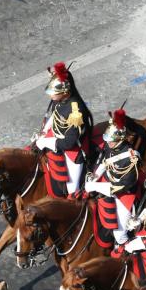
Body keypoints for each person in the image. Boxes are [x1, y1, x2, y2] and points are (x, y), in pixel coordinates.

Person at [84, 109, 142, 247]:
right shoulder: (112, 146)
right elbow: (106, 161)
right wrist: (96, 175)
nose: (108, 143)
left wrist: (95, 186)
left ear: (120, 139)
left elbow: (122, 186)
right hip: (108, 181)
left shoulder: (131, 158)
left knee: (119, 234)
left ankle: (127, 251)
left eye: (111, 141)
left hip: (124, 194)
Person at [35, 61, 92, 197]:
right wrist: (44, 130)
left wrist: (46, 142)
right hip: (55, 135)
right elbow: (55, 113)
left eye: (54, 93)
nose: (51, 96)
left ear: (65, 92)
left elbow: (68, 143)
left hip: (73, 150)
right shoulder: (60, 100)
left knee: (72, 188)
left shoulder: (75, 111)